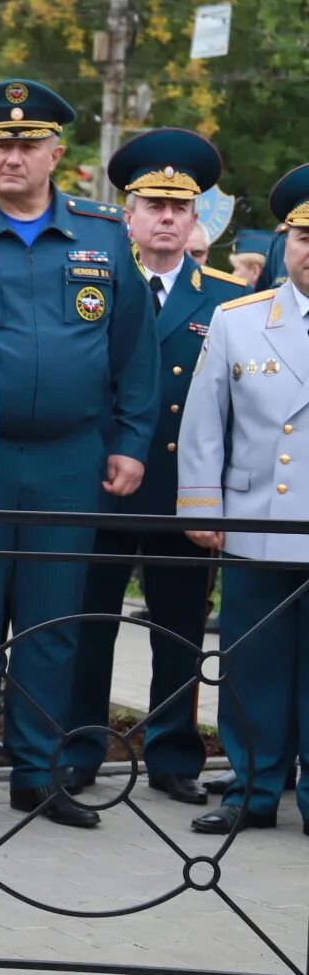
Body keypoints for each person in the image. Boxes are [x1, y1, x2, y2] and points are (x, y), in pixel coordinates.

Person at [0, 79, 158, 831]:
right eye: (0, 143)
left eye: (29, 144)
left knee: (52, 622)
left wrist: (128, 444)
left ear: (58, 153)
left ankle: (39, 772)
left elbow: (136, 353)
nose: (13, 156)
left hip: (70, 458)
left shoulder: (100, 236)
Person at [67, 130, 245, 805]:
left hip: (181, 495)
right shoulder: (92, 283)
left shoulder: (226, 297)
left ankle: (173, 755)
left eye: (180, 207)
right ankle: (80, 748)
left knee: (177, 633)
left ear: (196, 217)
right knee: (88, 629)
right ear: (128, 216)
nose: (167, 218)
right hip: (102, 489)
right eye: (153, 205)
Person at [178, 162, 309, 837]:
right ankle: (253, 787)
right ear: (288, 241)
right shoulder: (239, 319)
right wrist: (203, 508)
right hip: (258, 520)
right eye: (305, 237)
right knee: (252, 660)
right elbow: (204, 420)